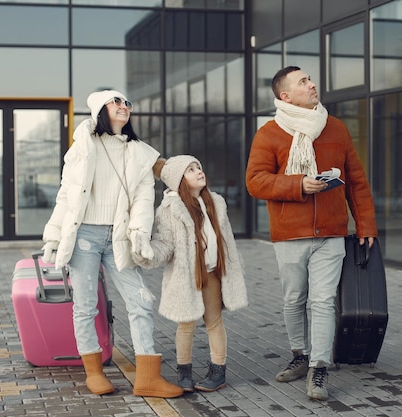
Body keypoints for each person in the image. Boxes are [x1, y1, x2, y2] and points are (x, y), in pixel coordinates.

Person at [245, 66, 378, 401]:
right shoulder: (269, 133)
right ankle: (300, 356)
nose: (312, 84)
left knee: (322, 301)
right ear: (285, 96)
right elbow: (255, 181)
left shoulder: (335, 127)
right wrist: (298, 184)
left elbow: (357, 182)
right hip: (290, 234)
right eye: (303, 82)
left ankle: (319, 367)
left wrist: (366, 225)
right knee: (294, 299)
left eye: (310, 79)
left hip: (331, 232)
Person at [41, 90, 183, 399]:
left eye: (127, 103)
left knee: (142, 300)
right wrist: (53, 235)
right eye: (116, 102)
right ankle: (93, 371)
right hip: (85, 237)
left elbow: (145, 199)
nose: (124, 107)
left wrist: (141, 235)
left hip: (119, 236)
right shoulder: (82, 147)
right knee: (86, 305)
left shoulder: (141, 153)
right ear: (99, 109)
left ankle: (148, 377)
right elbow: (67, 195)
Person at [132, 155, 248, 393]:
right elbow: (165, 244)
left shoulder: (215, 203)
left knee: (214, 322)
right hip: (187, 277)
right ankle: (184, 371)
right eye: (191, 170)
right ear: (178, 180)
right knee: (186, 326)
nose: (198, 172)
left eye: (199, 167)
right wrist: (146, 251)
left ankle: (218, 370)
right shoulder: (170, 209)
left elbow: (227, 242)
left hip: (214, 273)